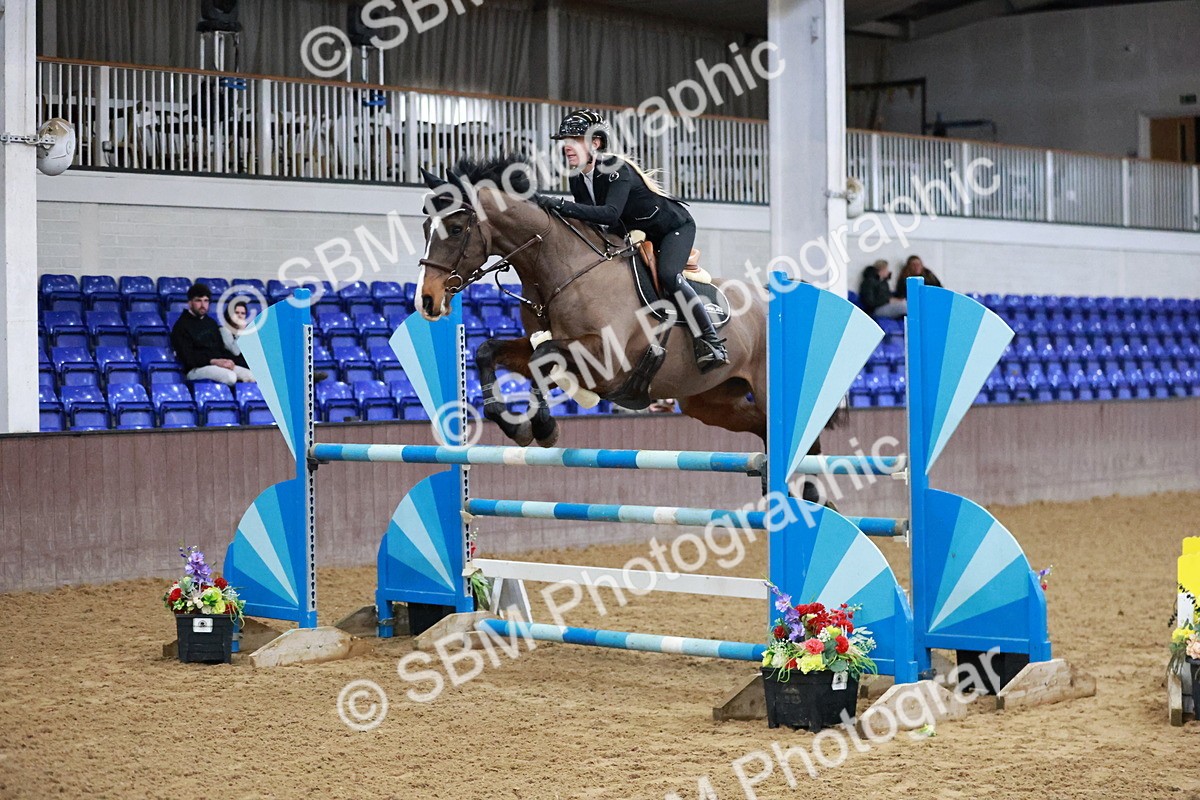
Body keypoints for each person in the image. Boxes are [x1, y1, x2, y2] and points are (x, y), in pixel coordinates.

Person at [533, 109, 729, 374]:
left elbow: (610, 213)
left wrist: (558, 204)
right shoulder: (578, 179)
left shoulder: (616, 169)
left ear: (595, 143)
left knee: (670, 275)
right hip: (636, 234)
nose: (567, 147)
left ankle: (711, 341)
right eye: (565, 141)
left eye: (574, 140)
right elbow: (591, 225)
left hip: (673, 229)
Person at [171, 282, 254, 385]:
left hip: (217, 365)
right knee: (230, 377)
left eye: (206, 301)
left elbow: (220, 349)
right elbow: (188, 358)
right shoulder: (181, 326)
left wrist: (228, 361)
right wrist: (213, 361)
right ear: (190, 302)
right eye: (198, 301)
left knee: (251, 376)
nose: (203, 305)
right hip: (195, 369)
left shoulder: (211, 323)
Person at [220, 301, 251, 370]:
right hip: (231, 365)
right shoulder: (224, 330)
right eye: (236, 313)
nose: (240, 316)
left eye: (243, 313)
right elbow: (235, 352)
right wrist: (241, 332)